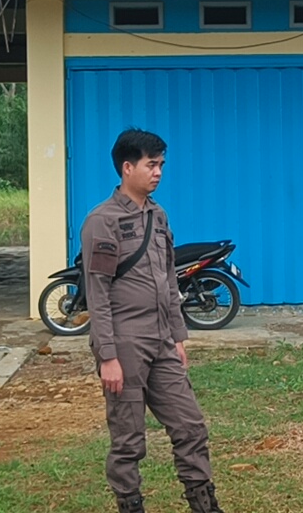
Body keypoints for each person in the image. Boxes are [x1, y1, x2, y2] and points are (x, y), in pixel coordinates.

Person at [82, 128, 224, 513]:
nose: (158, 172)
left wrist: (177, 335)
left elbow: (167, 278)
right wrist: (107, 355)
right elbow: (97, 291)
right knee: (128, 439)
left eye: (161, 164)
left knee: (190, 425)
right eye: (151, 164)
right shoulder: (103, 220)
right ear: (127, 168)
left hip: (162, 340)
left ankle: (203, 502)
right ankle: (130, 505)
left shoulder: (158, 216)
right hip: (125, 343)